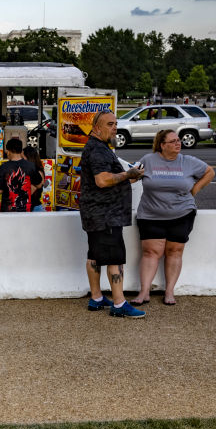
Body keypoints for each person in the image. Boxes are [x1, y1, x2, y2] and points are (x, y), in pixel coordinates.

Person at [130, 129, 215, 306]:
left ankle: (169, 291)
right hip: (151, 215)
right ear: (162, 145)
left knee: (174, 252)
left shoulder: (188, 161)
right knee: (150, 252)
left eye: (178, 140)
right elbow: (131, 177)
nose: (178, 143)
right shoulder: (148, 160)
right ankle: (144, 292)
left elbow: (210, 172)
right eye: (173, 141)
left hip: (182, 214)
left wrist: (194, 190)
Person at [78, 111, 146, 318]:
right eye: (110, 124)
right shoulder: (98, 150)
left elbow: (110, 179)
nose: (115, 127)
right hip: (106, 215)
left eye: (116, 123)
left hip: (95, 213)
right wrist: (128, 174)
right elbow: (102, 180)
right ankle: (119, 303)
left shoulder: (98, 147)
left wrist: (131, 177)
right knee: (115, 259)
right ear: (96, 128)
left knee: (94, 256)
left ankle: (97, 298)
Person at [0, 137, 43, 212]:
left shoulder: (3, 167)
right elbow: (39, 185)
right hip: (25, 210)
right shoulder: (31, 166)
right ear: (21, 151)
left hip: (8, 211)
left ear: (8, 152)